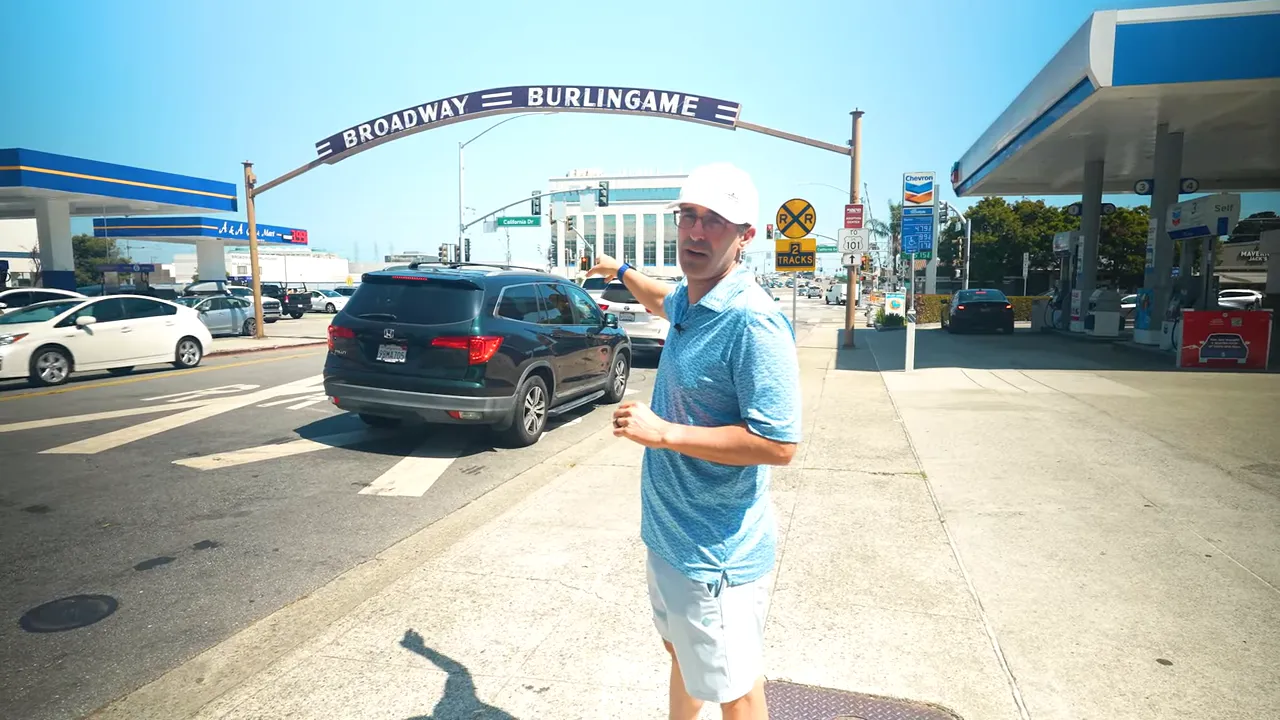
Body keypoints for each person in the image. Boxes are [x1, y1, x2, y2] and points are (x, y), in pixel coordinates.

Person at [586, 162, 801, 720]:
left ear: (745, 235)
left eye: (715, 222)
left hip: (716, 555)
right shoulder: (693, 300)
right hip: (670, 536)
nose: (696, 233)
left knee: (736, 688)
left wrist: (665, 434)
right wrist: (620, 267)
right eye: (689, 217)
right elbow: (660, 300)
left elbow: (779, 444)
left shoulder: (753, 323)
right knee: (684, 656)